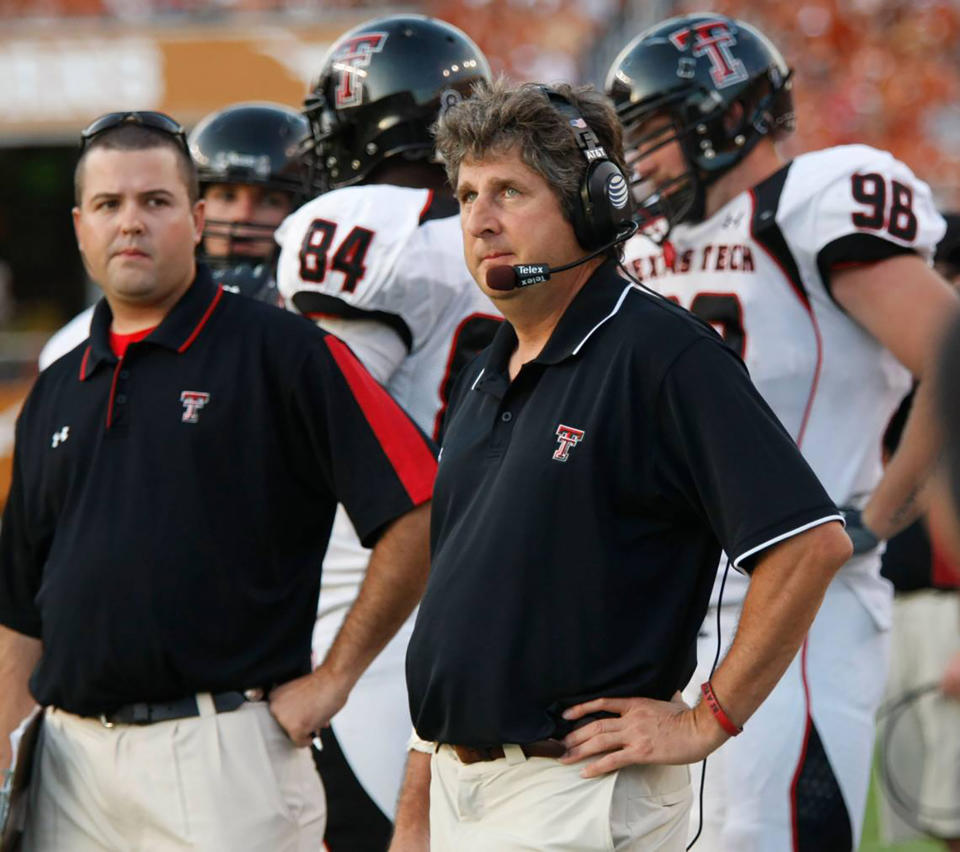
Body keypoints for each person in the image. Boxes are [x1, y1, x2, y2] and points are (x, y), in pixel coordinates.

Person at [392, 78, 853, 852]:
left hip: (573, 791)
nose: (481, 218)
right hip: (460, 788)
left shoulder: (662, 355)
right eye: (468, 194)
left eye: (510, 190)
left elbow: (810, 543)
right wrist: (419, 807)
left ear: (593, 203)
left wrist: (710, 718)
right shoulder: (485, 362)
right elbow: (458, 603)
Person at [0, 111, 435, 850]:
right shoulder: (58, 381)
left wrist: (333, 680)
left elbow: (418, 504)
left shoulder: (284, 350)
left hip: (221, 750)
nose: (130, 223)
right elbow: (19, 603)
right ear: (80, 226)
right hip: (68, 762)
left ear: (196, 218)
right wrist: (6, 752)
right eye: (108, 205)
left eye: (155, 202)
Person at [605, 13, 960, 850]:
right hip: (670, 608)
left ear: (723, 117)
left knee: (764, 836)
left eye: (652, 135)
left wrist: (883, 510)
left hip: (798, 604)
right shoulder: (651, 246)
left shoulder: (812, 200)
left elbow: (951, 354)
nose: (640, 163)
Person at [273, 15, 499, 850]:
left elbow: (320, 417)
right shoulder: (509, 230)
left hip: (365, 594)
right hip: (491, 585)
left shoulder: (370, 224)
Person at [37, 101, 311, 368]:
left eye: (270, 200)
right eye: (227, 196)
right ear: (196, 211)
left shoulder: (313, 334)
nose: (242, 215)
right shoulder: (74, 347)